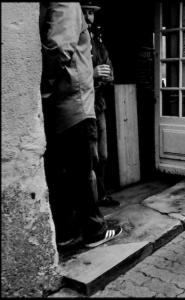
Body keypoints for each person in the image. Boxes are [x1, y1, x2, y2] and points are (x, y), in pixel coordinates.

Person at [40, 2, 122, 251]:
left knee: (65, 175)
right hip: (76, 105)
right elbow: (58, 49)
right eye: (88, 11)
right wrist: (47, 90)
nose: (89, 16)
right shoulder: (66, 4)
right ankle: (94, 231)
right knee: (82, 172)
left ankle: (66, 233)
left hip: (69, 106)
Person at [81, 1, 120, 207]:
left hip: (99, 106)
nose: (89, 18)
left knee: (103, 156)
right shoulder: (75, 41)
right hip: (83, 109)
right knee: (90, 157)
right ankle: (91, 202)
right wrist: (93, 74)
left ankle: (101, 194)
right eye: (85, 12)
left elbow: (110, 72)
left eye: (91, 13)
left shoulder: (97, 42)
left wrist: (103, 75)